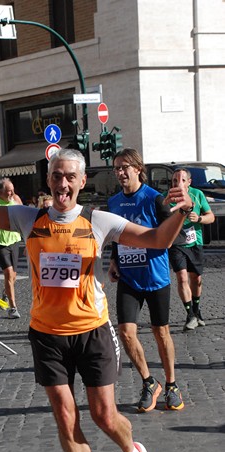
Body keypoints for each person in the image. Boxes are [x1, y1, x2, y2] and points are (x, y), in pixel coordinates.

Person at [0, 142, 192, 452]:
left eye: (69, 177)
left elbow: (156, 240)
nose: (62, 183)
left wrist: (181, 212)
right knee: (65, 416)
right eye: (56, 176)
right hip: (46, 335)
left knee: (104, 416)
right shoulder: (29, 218)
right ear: (48, 180)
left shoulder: (99, 221)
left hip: (92, 332)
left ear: (81, 181)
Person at [107, 148, 184, 413]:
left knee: (160, 332)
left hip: (155, 276)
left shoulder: (155, 199)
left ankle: (172, 384)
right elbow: (117, 234)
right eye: (116, 168)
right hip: (129, 276)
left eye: (124, 167)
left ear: (139, 169)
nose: (120, 172)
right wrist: (114, 259)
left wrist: (177, 267)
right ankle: (149, 382)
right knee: (126, 333)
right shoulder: (114, 202)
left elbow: (171, 236)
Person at [168, 168, 215, 330]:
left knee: (196, 278)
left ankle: (196, 309)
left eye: (181, 180)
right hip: (176, 244)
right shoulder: (169, 197)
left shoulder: (197, 194)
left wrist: (199, 218)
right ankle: (189, 315)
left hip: (195, 242)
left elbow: (211, 216)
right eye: (174, 180)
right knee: (181, 277)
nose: (177, 183)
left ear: (189, 182)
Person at [0, 178, 22, 318]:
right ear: (0, 192)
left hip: (14, 240)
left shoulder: (16, 198)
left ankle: (5, 291)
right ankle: (13, 308)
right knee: (8, 273)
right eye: (9, 191)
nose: (12, 193)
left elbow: (24, 215)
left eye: (13, 190)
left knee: (13, 276)